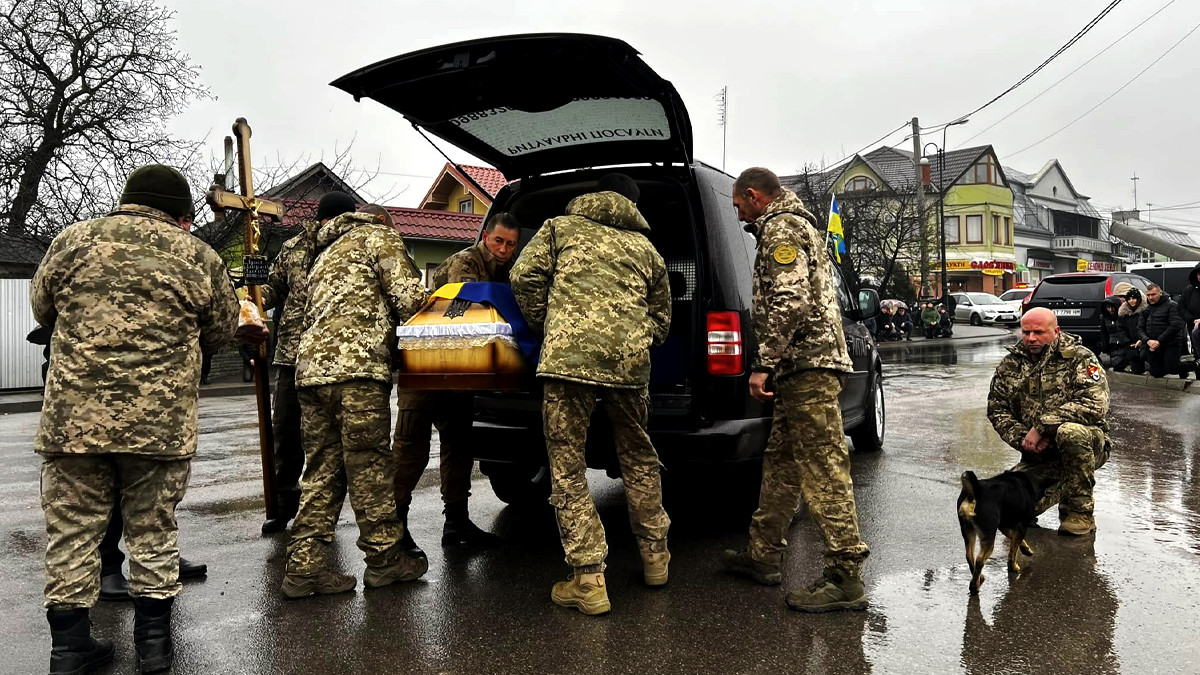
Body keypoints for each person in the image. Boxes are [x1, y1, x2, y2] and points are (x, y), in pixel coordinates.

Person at [31, 165, 264, 675]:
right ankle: (154, 649)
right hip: (158, 426)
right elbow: (223, 331)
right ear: (182, 214)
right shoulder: (197, 254)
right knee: (153, 531)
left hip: (74, 423)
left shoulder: (72, 241)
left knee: (71, 534)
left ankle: (70, 650)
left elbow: (42, 308)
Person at [510, 172, 672, 616]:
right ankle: (655, 556)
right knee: (639, 456)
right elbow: (662, 319)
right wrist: (636, 339)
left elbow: (523, 276)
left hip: (568, 364)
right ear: (632, 205)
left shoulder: (559, 229)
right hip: (630, 368)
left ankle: (588, 579)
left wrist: (551, 326)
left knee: (567, 465)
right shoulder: (647, 250)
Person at [721, 167, 869, 613]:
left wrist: (763, 363)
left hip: (807, 366)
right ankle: (763, 556)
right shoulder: (793, 223)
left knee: (823, 468)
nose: (738, 213)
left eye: (738, 204)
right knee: (782, 462)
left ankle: (846, 577)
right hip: (800, 366)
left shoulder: (781, 228)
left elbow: (791, 301)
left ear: (754, 196)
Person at [284, 192, 430, 599]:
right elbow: (410, 302)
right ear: (381, 222)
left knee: (321, 472)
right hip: (358, 371)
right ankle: (385, 562)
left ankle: (304, 569)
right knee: (369, 468)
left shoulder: (323, 255)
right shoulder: (378, 238)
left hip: (311, 375)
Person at [392, 211, 521, 553]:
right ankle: (393, 529)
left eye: (510, 244)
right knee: (410, 449)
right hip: (428, 363)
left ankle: (457, 523)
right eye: (498, 241)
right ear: (485, 238)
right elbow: (474, 304)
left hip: (463, 368)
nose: (504, 249)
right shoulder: (465, 262)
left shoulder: (506, 271)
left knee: (460, 443)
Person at [986, 307, 1110, 536]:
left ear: (1056, 331)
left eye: (1038, 332)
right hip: (1038, 452)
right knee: (1006, 506)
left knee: (1070, 433)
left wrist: (1041, 427)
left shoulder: (1080, 358)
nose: (1031, 338)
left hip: (1085, 444)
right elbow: (997, 409)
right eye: (1026, 332)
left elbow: (1095, 404)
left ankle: (1079, 512)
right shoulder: (1011, 364)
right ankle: (1037, 506)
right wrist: (1025, 439)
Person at [257, 208, 321, 535]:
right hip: (290, 356)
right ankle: (284, 504)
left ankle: (319, 509)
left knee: (323, 439)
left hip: (328, 357)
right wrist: (252, 296)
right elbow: (273, 289)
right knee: (285, 433)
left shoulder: (348, 248)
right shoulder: (294, 249)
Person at [1137, 283, 1189, 379]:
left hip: (1170, 343)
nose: (1151, 297)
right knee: (1156, 373)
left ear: (1160, 293)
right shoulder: (1145, 310)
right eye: (1148, 295)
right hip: (1152, 344)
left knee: (1171, 368)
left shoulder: (1172, 306)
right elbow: (1140, 328)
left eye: (1153, 294)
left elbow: (1176, 325)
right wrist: (1148, 341)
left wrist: (1159, 340)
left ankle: (1192, 365)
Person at [1111, 286, 1147, 374]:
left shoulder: (1145, 311)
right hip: (1130, 345)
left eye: (1134, 298)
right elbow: (1120, 330)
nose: (1132, 301)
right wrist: (1128, 342)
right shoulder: (1123, 313)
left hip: (1144, 343)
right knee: (1137, 370)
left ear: (1138, 299)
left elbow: (1148, 328)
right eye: (1130, 299)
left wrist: (1142, 340)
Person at [1181, 262, 1200, 368]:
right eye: (1199, 274)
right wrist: (1193, 320)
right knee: (1197, 354)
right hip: (1194, 327)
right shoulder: (1189, 290)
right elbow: (1181, 308)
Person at [1098, 295, 1122, 363]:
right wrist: (1105, 347)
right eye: (1108, 307)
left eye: (1112, 307)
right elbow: (1104, 333)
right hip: (1112, 344)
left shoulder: (1122, 316)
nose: (1111, 310)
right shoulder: (1104, 317)